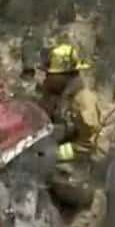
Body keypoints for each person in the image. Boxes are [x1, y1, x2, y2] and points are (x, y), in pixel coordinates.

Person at [38, 43, 102, 213]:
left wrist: (56, 153)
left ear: (65, 76)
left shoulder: (83, 103)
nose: (46, 77)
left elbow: (90, 145)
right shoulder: (55, 93)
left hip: (76, 166)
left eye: (50, 74)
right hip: (48, 150)